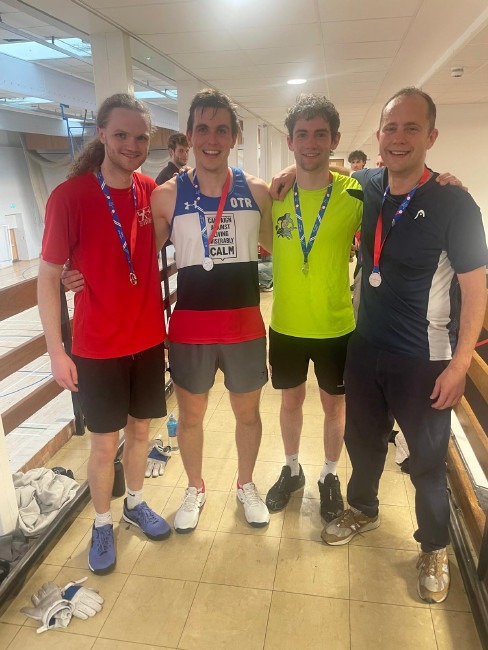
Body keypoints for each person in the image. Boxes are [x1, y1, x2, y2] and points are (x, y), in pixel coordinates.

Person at [321, 87, 488, 605]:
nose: (399, 138)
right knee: (363, 442)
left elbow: (475, 288)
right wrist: (284, 174)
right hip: (366, 347)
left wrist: (461, 362)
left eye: (411, 128)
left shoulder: (455, 202)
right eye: (391, 128)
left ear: (431, 136)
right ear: (378, 136)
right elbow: (318, 173)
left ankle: (434, 546)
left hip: (425, 359)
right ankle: (363, 509)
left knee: (426, 461)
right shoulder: (367, 183)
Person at [37, 93, 171, 577]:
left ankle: (134, 502)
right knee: (101, 442)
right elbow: (48, 276)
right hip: (97, 346)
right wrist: (57, 351)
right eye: (121, 135)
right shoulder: (69, 197)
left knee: (141, 432)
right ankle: (100, 522)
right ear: (100, 135)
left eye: (141, 137)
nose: (132, 145)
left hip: (147, 339)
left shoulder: (150, 189)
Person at [150, 89, 274, 533]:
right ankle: (195, 487)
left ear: (234, 136)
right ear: (189, 135)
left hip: (244, 327)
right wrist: (78, 270)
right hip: (190, 330)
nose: (212, 139)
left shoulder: (257, 191)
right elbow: (136, 259)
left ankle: (246, 484)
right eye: (202, 128)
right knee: (191, 418)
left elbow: (286, 240)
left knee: (248, 415)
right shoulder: (166, 196)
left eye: (222, 129)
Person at [265, 94, 364, 522]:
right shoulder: (274, 195)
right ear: (290, 141)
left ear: (334, 139)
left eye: (320, 134)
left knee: (334, 407)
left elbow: (398, 181)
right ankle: (292, 470)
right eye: (302, 134)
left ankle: (329, 474)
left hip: (336, 326)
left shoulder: (355, 193)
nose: (310, 143)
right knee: (290, 402)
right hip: (286, 324)